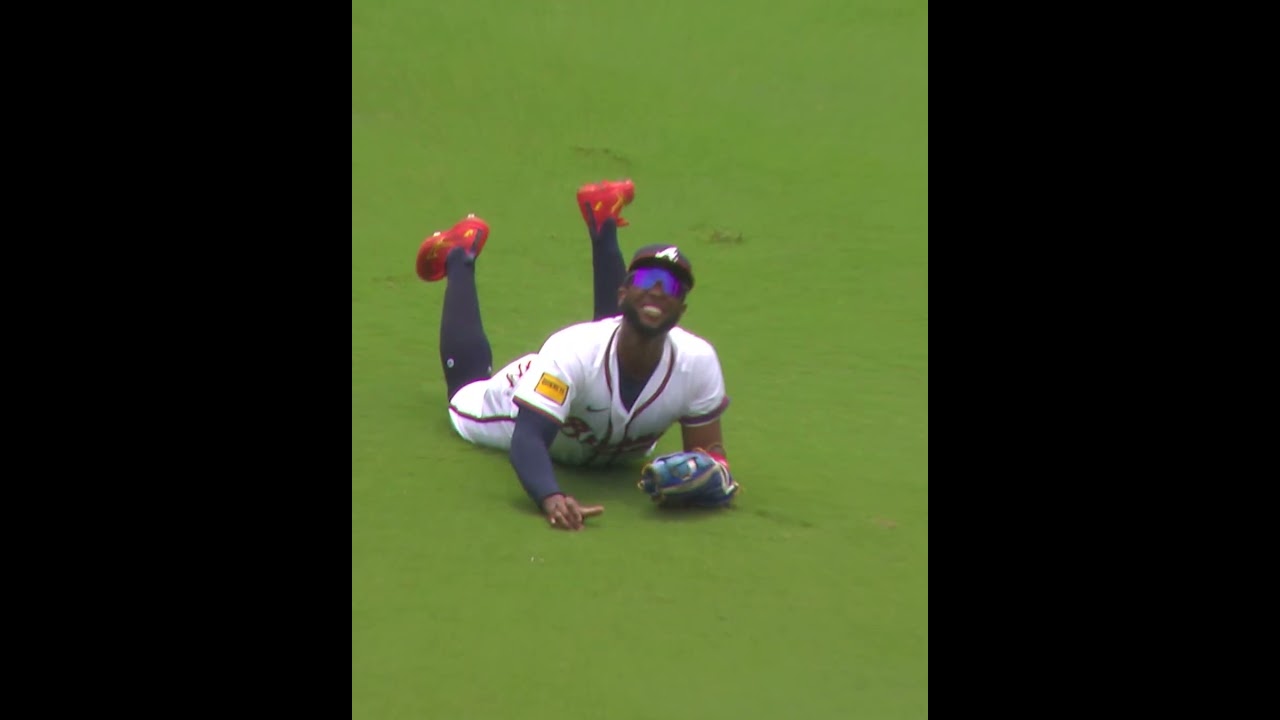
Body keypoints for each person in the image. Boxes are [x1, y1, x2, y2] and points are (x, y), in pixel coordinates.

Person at [415, 179, 734, 531]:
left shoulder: (697, 362)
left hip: (585, 387)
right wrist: (550, 496)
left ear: (682, 308)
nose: (658, 291)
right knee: (466, 390)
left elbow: (709, 453)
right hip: (518, 400)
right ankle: (460, 256)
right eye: (646, 279)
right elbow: (528, 439)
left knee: (614, 346)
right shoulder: (572, 351)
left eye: (671, 285)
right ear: (624, 291)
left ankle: (602, 217)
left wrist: (714, 471)